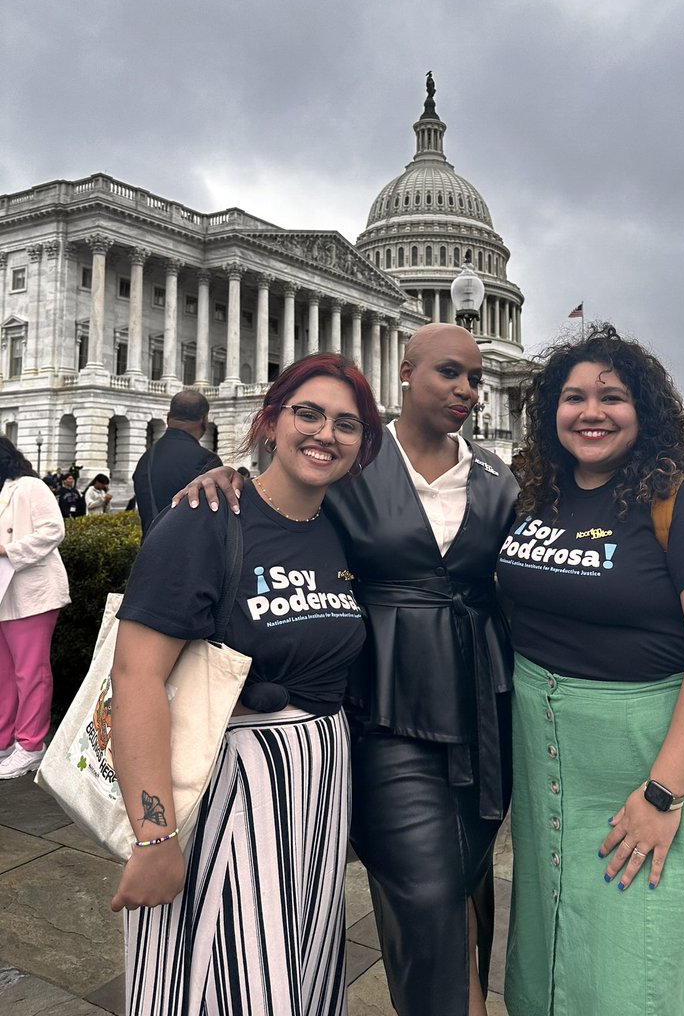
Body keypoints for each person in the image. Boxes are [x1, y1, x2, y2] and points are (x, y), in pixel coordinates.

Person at [177, 323, 519, 1016]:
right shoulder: (356, 460)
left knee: (465, 876)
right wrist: (226, 475)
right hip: (382, 706)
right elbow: (284, 505)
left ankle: (470, 999)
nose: (466, 390)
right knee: (424, 890)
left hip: (482, 708)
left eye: (475, 378)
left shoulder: (498, 477)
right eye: (449, 372)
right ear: (404, 370)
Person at [494, 324, 684, 1016]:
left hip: (652, 753)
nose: (591, 412)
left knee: (639, 959)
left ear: (644, 410)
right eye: (573, 397)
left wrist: (663, 793)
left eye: (611, 397)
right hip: (549, 757)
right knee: (551, 940)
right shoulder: (537, 493)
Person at [109, 353, 382, 1015]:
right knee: (212, 977)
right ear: (269, 421)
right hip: (222, 782)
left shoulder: (342, 529)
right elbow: (134, 676)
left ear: (363, 445)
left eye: (346, 424)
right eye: (307, 413)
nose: (325, 434)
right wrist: (154, 837)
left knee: (295, 967)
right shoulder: (205, 517)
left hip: (315, 789)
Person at [0, 437, 71, 781]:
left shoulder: (29, 486)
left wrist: (8, 549)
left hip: (32, 593)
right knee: (4, 673)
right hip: (4, 595)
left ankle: (30, 746)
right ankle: (4, 741)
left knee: (30, 672)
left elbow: (53, 530)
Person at [132, 389, 222, 537]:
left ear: (168, 418)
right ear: (204, 420)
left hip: (149, 552)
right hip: (190, 555)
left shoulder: (146, 459)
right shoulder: (206, 460)